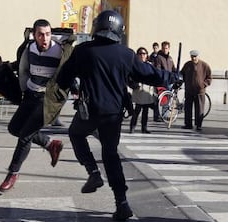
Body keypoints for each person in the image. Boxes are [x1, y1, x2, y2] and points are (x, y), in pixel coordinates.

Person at [56, 10, 179, 221]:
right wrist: (172, 77)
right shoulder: (126, 54)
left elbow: (64, 77)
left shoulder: (83, 51)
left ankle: (93, 173)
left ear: (97, 26)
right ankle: (122, 203)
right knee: (111, 155)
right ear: (119, 30)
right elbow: (149, 74)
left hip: (90, 111)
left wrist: (72, 84)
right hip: (113, 114)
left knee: (76, 134)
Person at [0, 19, 73, 193]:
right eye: (40, 34)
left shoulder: (60, 51)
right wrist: (4, 69)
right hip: (30, 94)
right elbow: (23, 66)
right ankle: (50, 144)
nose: (44, 38)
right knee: (15, 128)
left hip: (47, 100)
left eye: (47, 34)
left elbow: (72, 70)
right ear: (34, 34)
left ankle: (12, 173)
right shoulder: (29, 48)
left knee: (25, 136)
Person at [180, 50, 212, 131]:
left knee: (199, 108)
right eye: (192, 57)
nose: (194, 58)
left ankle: (198, 125)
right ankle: (188, 124)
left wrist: (203, 84)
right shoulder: (187, 65)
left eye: (195, 56)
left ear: (198, 56)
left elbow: (209, 78)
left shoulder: (204, 65)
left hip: (199, 91)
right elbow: (181, 74)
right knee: (188, 108)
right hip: (189, 90)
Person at [129, 47, 156, 134]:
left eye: (144, 53)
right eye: (140, 53)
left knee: (146, 111)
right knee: (137, 110)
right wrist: (133, 84)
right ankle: (132, 127)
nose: (142, 55)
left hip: (147, 91)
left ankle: (144, 128)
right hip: (139, 90)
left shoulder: (150, 65)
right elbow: (129, 77)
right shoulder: (135, 65)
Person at [153, 41, 176, 122]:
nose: (165, 49)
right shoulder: (158, 57)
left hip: (169, 81)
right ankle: (157, 116)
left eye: (166, 48)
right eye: (163, 48)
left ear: (169, 48)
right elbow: (158, 69)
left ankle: (164, 115)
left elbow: (173, 69)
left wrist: (175, 75)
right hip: (161, 81)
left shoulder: (170, 58)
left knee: (167, 99)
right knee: (159, 99)